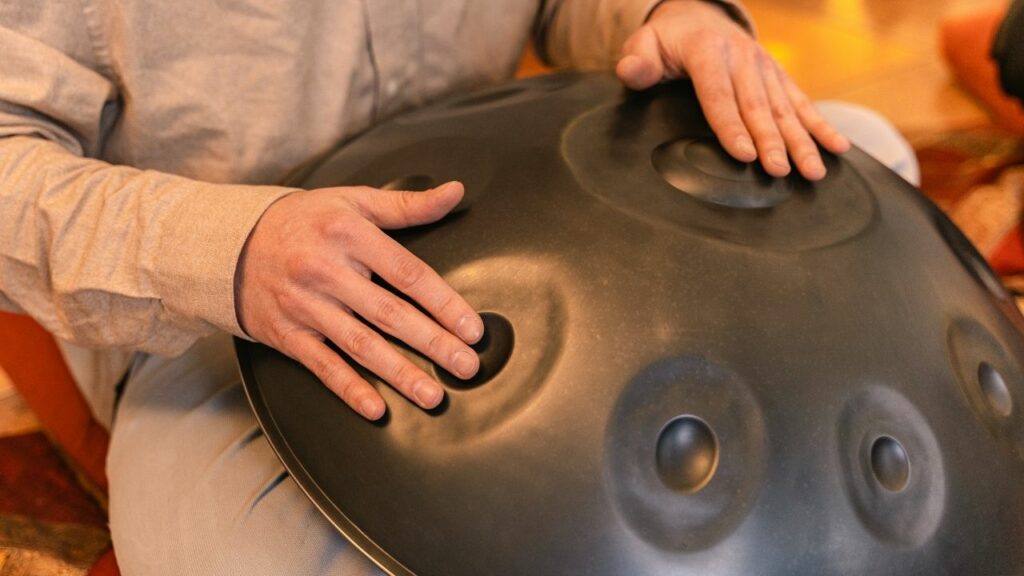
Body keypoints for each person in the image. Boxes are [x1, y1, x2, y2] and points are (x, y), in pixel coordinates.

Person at [0, 1, 915, 574]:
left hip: (517, 202)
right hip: (227, 315)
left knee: (861, 152)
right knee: (225, 557)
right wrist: (236, 252)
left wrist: (677, 13)